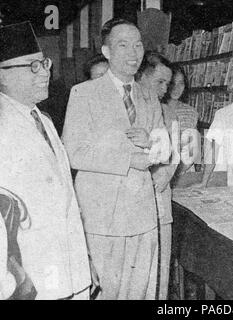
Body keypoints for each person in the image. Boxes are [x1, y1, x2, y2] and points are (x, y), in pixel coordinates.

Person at [62, 18, 170, 300]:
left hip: (143, 217)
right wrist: (128, 158)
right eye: (123, 45)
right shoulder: (83, 93)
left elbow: (163, 149)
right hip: (103, 220)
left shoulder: (149, 95)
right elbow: (73, 152)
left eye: (138, 46)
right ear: (107, 52)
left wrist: (154, 143)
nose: (134, 53)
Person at [0, 21, 91, 299]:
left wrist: (83, 262)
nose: (45, 73)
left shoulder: (44, 119)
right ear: (2, 75)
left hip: (68, 270)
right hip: (30, 279)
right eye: (32, 66)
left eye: (44, 63)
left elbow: (66, 200)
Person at [135, 51, 177, 300]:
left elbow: (176, 154)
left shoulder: (167, 113)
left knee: (160, 273)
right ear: (142, 76)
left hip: (160, 204)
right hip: (132, 207)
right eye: (160, 82)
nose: (165, 89)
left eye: (167, 84)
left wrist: (167, 173)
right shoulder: (125, 106)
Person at [161, 64, 199, 177]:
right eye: (173, 83)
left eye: (181, 83)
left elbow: (193, 148)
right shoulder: (156, 108)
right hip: (160, 171)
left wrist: (179, 171)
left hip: (184, 172)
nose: (177, 88)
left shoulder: (191, 112)